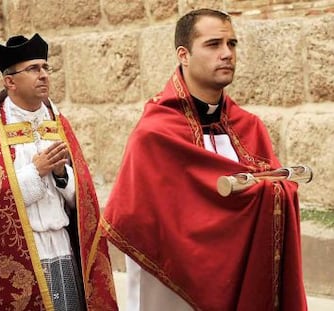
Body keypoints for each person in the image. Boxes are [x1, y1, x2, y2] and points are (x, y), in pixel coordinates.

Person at [101, 8, 307, 311]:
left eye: (232, 44)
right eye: (213, 45)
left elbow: (272, 193)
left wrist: (274, 190)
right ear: (183, 55)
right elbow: (136, 219)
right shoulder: (155, 134)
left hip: (244, 278)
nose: (227, 54)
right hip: (176, 288)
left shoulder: (250, 127)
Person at [0, 33, 118, 310]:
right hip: (21, 253)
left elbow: (83, 202)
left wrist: (62, 176)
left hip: (63, 247)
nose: (44, 75)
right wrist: (35, 172)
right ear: (10, 81)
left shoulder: (58, 124)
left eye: (45, 68)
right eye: (34, 69)